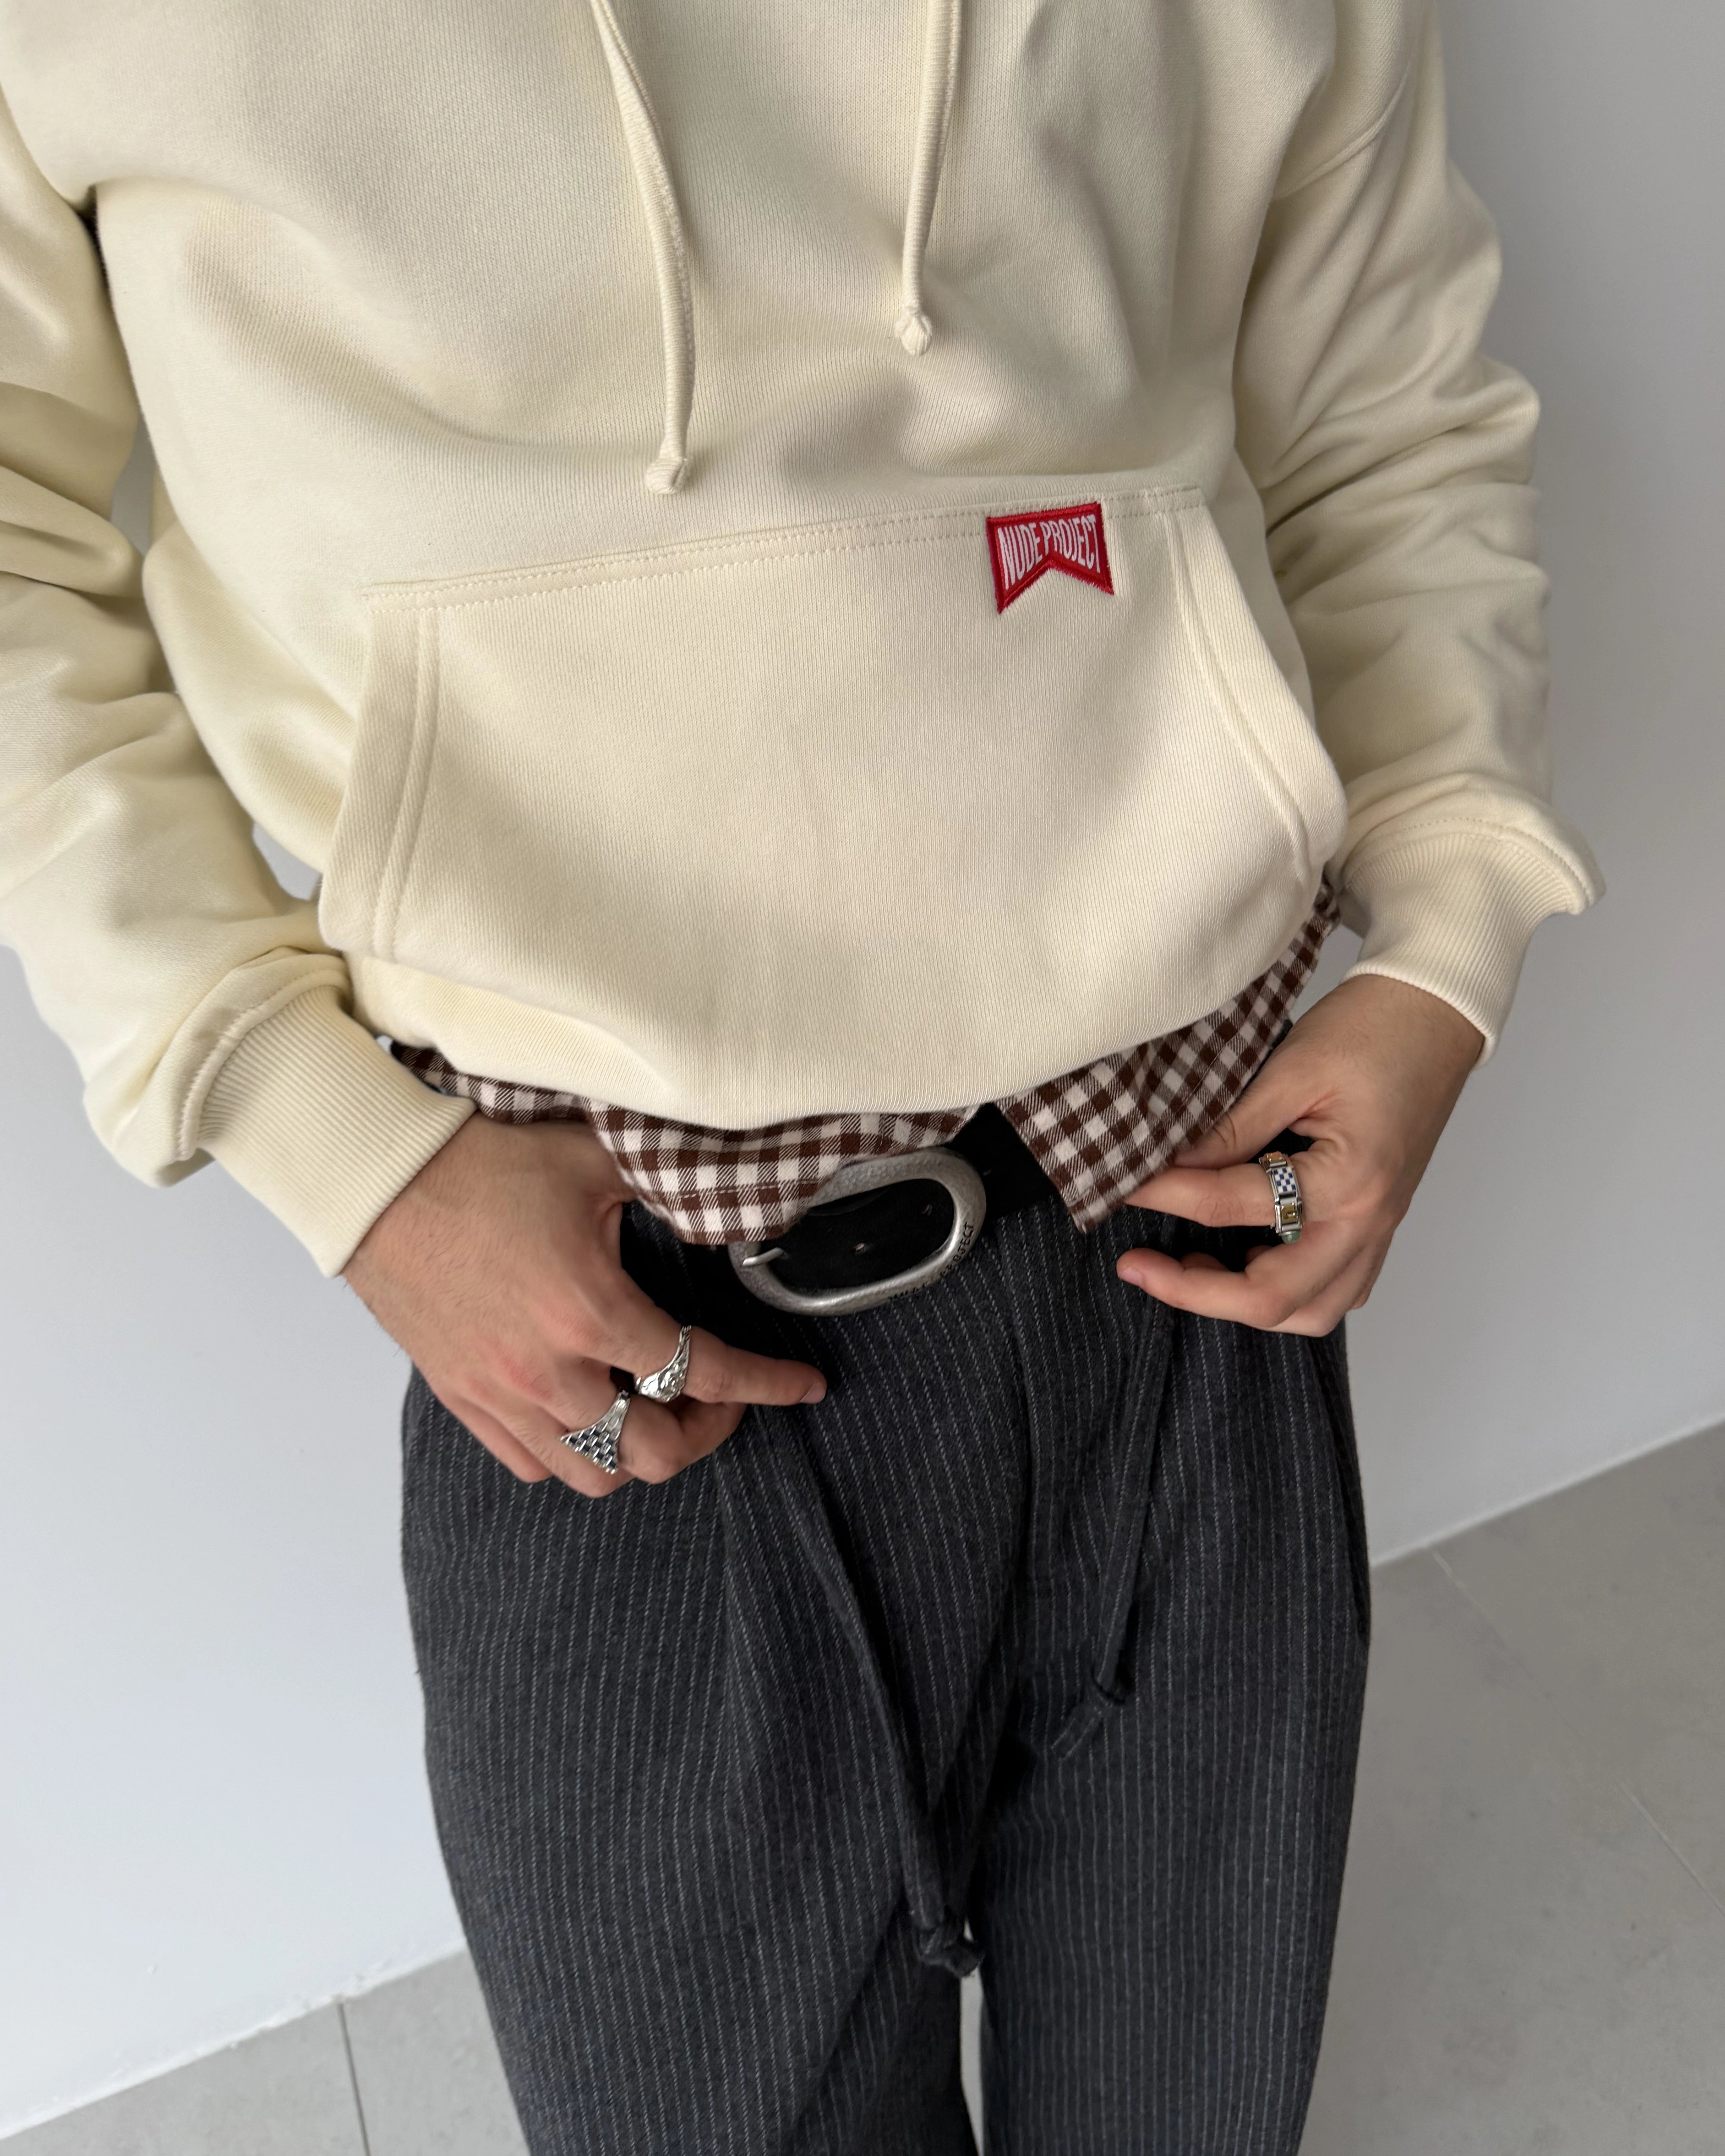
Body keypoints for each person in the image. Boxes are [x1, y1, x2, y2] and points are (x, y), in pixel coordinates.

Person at [0, 2, 1600, 2150]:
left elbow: (1381, 403)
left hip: (1194, 1232)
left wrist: (1445, 939)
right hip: (615, 1327)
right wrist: (323, 1135)